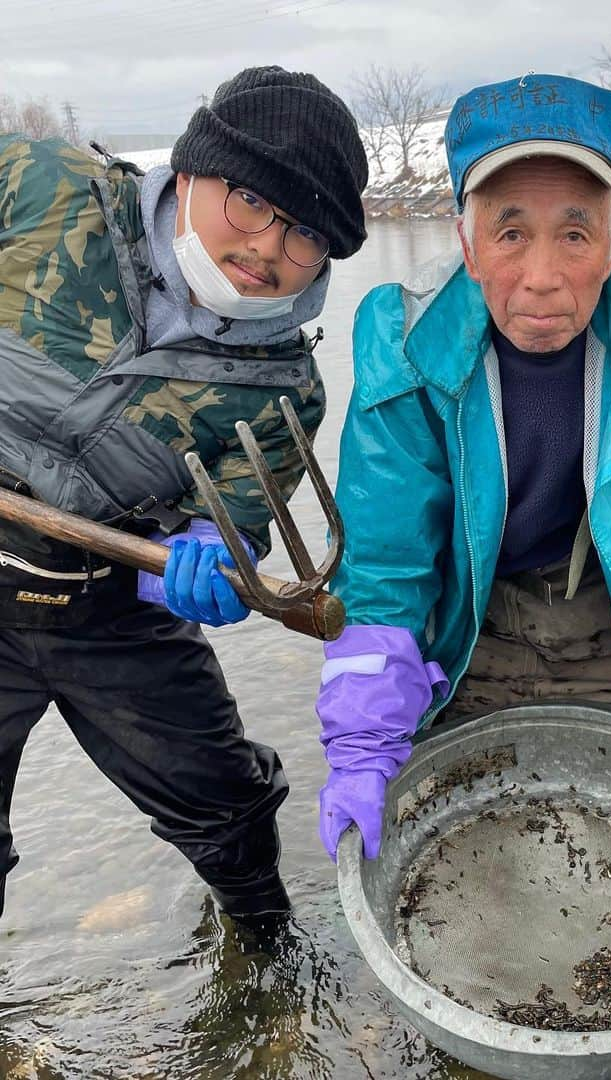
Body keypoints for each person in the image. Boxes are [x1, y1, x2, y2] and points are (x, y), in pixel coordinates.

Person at [317, 73, 611, 862]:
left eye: (576, 233)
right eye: (511, 233)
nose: (544, 277)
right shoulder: (402, 348)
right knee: (459, 846)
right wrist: (361, 746)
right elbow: (385, 570)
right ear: (467, 242)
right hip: (467, 614)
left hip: (605, 601)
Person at [0, 65, 367, 922]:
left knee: (226, 808)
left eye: (305, 234)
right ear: (192, 169)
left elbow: (238, 510)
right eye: (248, 200)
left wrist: (207, 548)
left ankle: (263, 963)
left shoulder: (284, 391)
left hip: (111, 604)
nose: (269, 248)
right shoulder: (38, 189)